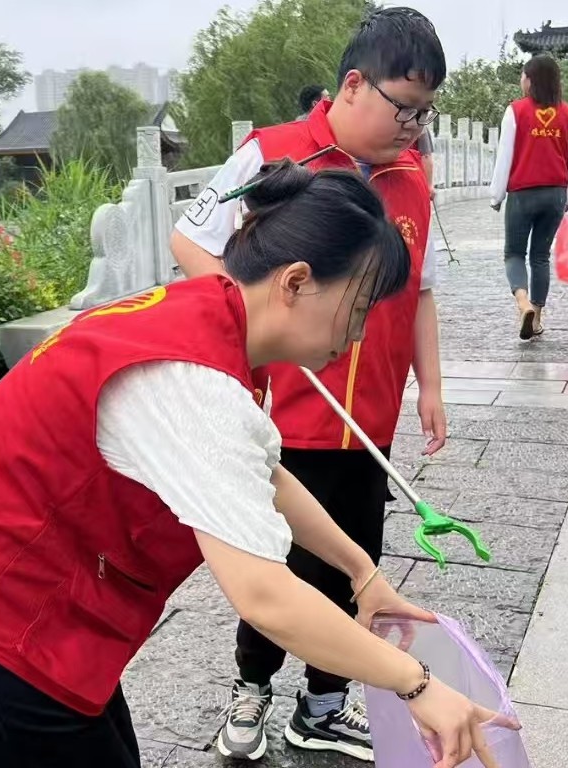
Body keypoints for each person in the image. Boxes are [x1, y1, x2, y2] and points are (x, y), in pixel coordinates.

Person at [0, 160, 516, 768]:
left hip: (32, 592)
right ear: (296, 282)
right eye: (357, 311)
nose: (358, 336)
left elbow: (264, 472)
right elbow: (265, 598)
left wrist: (361, 573)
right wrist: (416, 683)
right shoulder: (193, 384)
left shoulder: (212, 308)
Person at [171, 7, 447, 761]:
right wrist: (265, 322)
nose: (413, 128)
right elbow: (191, 241)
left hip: (370, 418)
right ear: (353, 85)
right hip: (287, 415)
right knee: (280, 560)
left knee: (357, 559)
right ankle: (251, 689)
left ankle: (323, 705)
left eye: (425, 113)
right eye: (403, 108)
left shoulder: (411, 178)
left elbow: (421, 290)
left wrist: (430, 386)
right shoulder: (273, 155)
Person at [488, 52, 568, 340]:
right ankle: (536, 318)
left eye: (523, 75)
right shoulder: (567, 112)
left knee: (514, 253)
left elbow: (505, 155)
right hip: (555, 193)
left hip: (523, 193)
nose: (521, 80)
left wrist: (496, 195)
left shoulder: (516, 110)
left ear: (530, 80)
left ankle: (522, 303)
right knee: (540, 256)